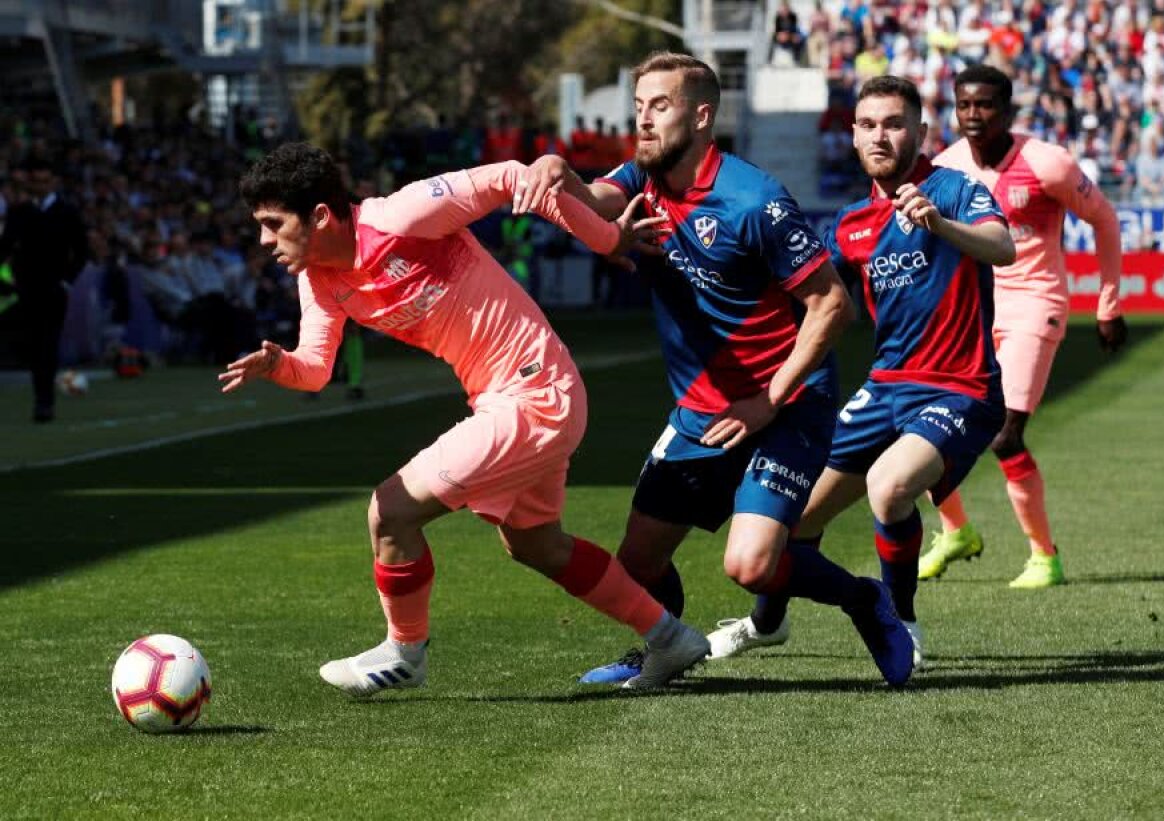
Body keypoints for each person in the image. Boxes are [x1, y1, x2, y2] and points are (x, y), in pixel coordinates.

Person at [223, 142, 711, 694]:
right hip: (518, 397)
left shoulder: (402, 216)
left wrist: (606, 237)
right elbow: (314, 369)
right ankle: (673, 640)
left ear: (319, 215)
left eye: (272, 223)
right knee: (537, 546)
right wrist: (278, 364)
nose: (264, 240)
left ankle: (405, 654)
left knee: (390, 513)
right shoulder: (318, 279)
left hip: (534, 392)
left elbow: (511, 177)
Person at [514, 52, 916, 688]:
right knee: (637, 562)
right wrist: (557, 171)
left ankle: (866, 601)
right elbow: (593, 202)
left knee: (752, 565)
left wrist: (767, 401)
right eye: (639, 107)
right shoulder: (641, 179)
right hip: (702, 409)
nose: (643, 121)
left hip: (786, 401)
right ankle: (662, 644)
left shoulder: (754, 200)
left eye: (660, 107)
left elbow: (832, 305)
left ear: (702, 117)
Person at [709, 76, 1014, 667]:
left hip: (961, 388)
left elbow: (1003, 248)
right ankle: (766, 625)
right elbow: (813, 307)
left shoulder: (952, 190)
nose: (881, 135)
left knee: (890, 485)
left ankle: (901, 621)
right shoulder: (851, 224)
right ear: (852, 136)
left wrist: (940, 226)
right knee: (788, 526)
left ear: (922, 132)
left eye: (895, 123)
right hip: (883, 391)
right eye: (869, 125)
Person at [922, 64, 1127, 589]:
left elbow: (1104, 218)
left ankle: (1045, 556)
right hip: (972, 310)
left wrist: (1108, 304)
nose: (973, 115)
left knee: (1003, 435)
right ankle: (956, 531)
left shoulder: (1046, 163)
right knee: (926, 425)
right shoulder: (944, 167)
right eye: (964, 104)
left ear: (1008, 110)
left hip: (1036, 303)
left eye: (985, 105)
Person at [0, 157, 88, 423]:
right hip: (25, 287)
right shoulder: (20, 213)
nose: (40, 186)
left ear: (53, 182)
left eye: (44, 181)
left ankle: (44, 402)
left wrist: (66, 281)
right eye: (36, 181)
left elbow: (81, 251)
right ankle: (42, 398)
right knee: (34, 344)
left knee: (46, 344)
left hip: (52, 289)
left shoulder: (67, 212)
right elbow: (4, 248)